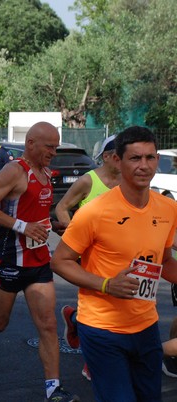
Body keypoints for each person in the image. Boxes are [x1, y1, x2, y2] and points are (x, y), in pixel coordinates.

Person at [51, 126, 177, 401]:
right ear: (117, 161)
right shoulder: (95, 211)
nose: (144, 166)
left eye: (150, 157)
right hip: (102, 329)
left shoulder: (168, 208)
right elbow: (60, 262)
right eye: (135, 158)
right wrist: (107, 285)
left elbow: (164, 260)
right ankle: (74, 322)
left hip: (146, 326)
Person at [0, 122, 78, 402]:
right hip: (8, 258)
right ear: (31, 143)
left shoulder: (45, 173)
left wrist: (52, 224)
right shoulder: (15, 170)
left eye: (56, 147)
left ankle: (53, 390)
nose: (54, 152)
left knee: (47, 324)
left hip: (37, 261)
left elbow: (35, 213)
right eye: (50, 147)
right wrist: (23, 227)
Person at [54, 134, 121, 381]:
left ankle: (73, 317)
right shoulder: (88, 181)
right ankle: (92, 364)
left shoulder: (129, 181)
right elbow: (62, 207)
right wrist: (76, 237)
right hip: (92, 254)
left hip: (121, 254)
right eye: (119, 153)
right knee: (105, 308)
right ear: (107, 156)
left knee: (113, 307)